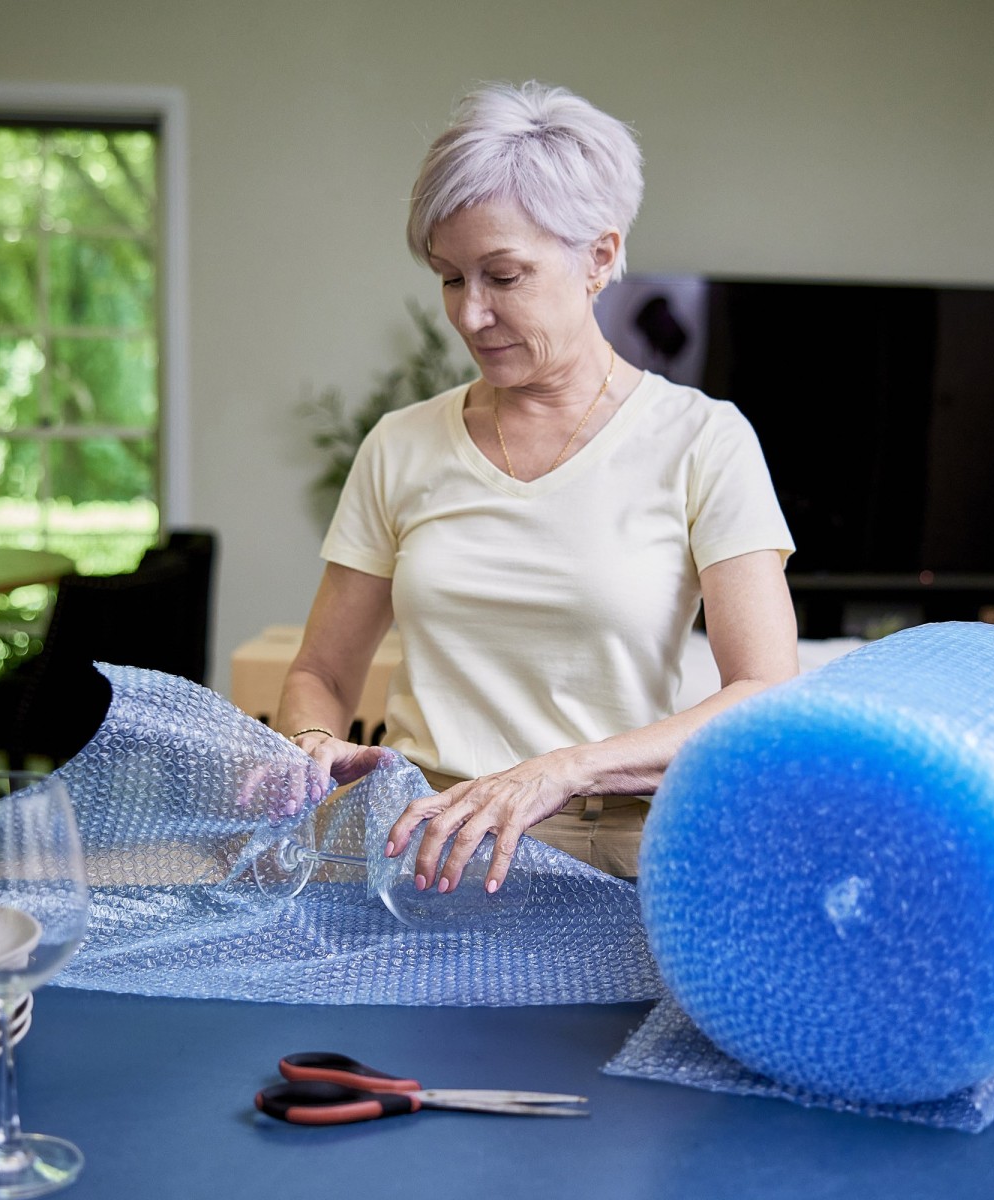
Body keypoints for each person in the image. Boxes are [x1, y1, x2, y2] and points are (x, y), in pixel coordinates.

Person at [275, 80, 799, 895]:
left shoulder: (703, 441)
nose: (470, 315)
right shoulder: (399, 445)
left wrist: (560, 772)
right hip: (415, 849)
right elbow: (322, 673)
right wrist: (310, 739)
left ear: (598, 257)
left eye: (504, 276)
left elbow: (763, 696)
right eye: (450, 278)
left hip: (605, 852)